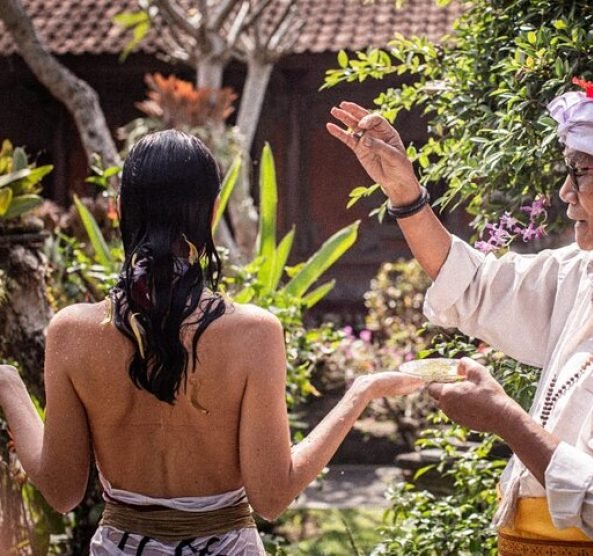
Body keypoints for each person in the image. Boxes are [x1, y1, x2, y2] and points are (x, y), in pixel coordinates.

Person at [327, 78, 593, 554]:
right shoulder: (589, 275)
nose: (565, 192)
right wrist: (404, 191)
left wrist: (507, 421)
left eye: (581, 173)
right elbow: (474, 285)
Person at [0, 129, 424, 555]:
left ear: (118, 210)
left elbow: (62, 491)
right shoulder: (254, 334)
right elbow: (272, 497)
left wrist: (8, 385)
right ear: (211, 214)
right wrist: (360, 391)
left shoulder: (72, 333)